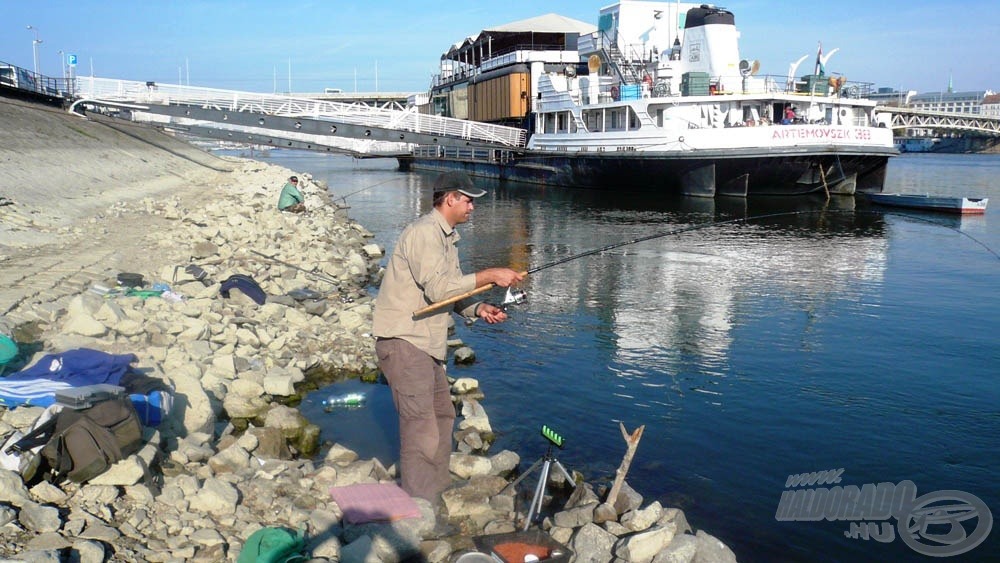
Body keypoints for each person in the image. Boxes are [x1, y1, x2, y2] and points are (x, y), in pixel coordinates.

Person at [372, 171, 523, 502]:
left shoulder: (447, 238)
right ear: (450, 198)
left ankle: (435, 490)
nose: (472, 207)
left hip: (426, 344)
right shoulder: (425, 233)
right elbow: (440, 288)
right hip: (404, 341)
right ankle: (421, 504)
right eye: (468, 200)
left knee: (443, 414)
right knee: (421, 426)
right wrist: (489, 274)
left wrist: (479, 307)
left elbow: (447, 294)